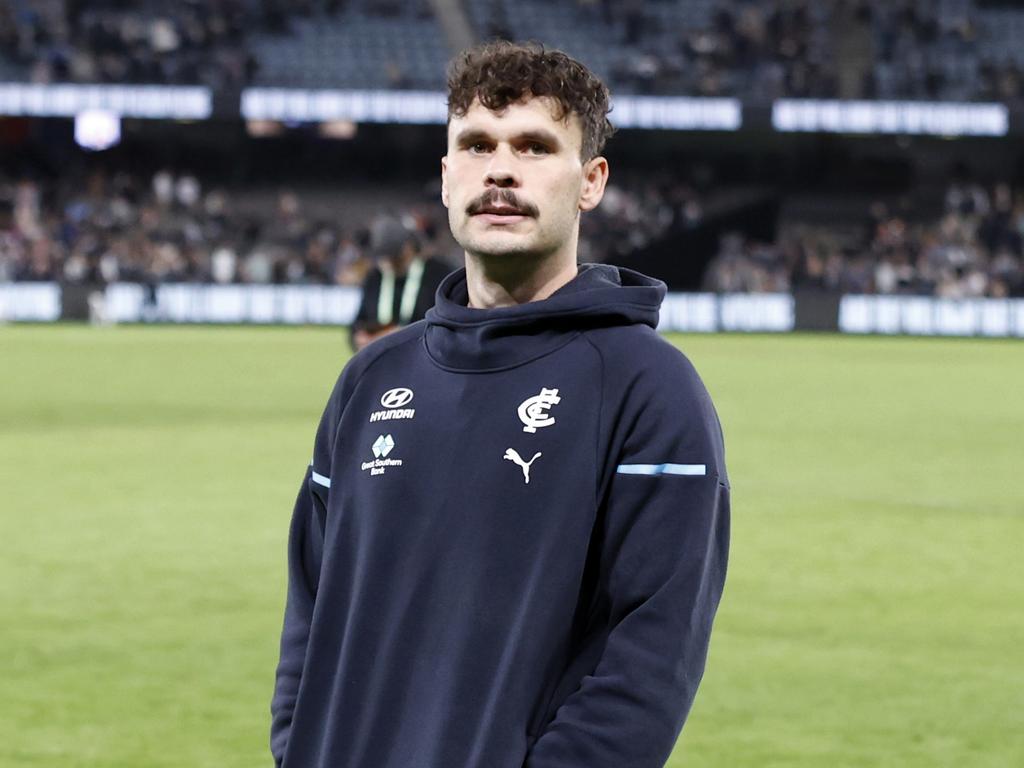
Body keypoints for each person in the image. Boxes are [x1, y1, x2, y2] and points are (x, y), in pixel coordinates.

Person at [270, 41, 730, 768]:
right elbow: (310, 612)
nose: (502, 169)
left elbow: (648, 656)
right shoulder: (370, 380)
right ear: (448, 175)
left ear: (591, 181)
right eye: (477, 144)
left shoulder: (649, 389)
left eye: (536, 146)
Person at [349, 216, 451, 352]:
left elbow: (446, 324)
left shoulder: (438, 274)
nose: (387, 262)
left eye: (393, 256)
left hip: (422, 360)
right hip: (381, 363)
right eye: (383, 256)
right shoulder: (375, 277)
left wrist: (396, 336)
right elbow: (359, 322)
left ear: (408, 247)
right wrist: (359, 338)